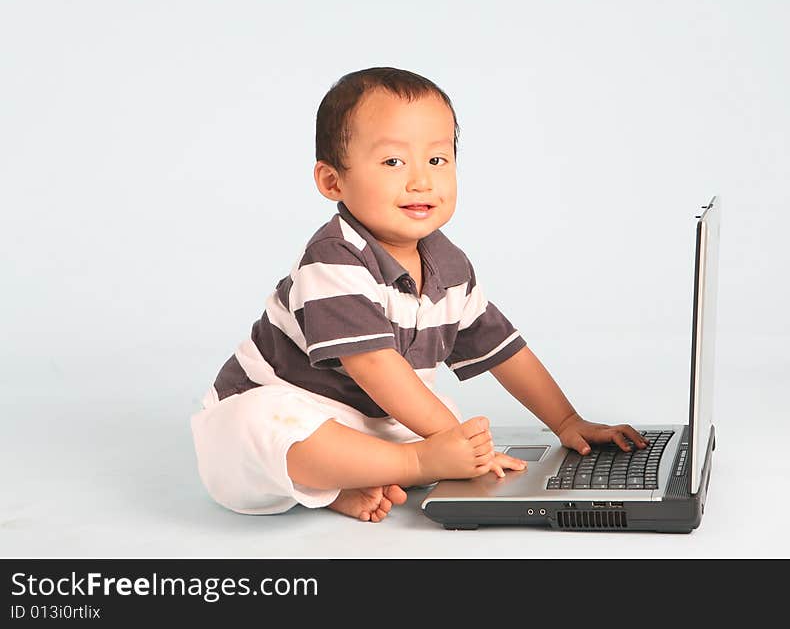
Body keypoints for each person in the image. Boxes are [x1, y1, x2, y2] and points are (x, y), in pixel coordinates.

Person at [190, 66, 648, 522]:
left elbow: (505, 351)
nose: (421, 181)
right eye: (393, 162)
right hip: (274, 413)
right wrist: (448, 449)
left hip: (366, 420)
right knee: (266, 425)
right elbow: (374, 366)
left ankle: (346, 483)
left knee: (437, 412)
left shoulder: (447, 266)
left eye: (437, 160)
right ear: (333, 182)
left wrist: (567, 423)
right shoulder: (333, 258)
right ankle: (399, 467)